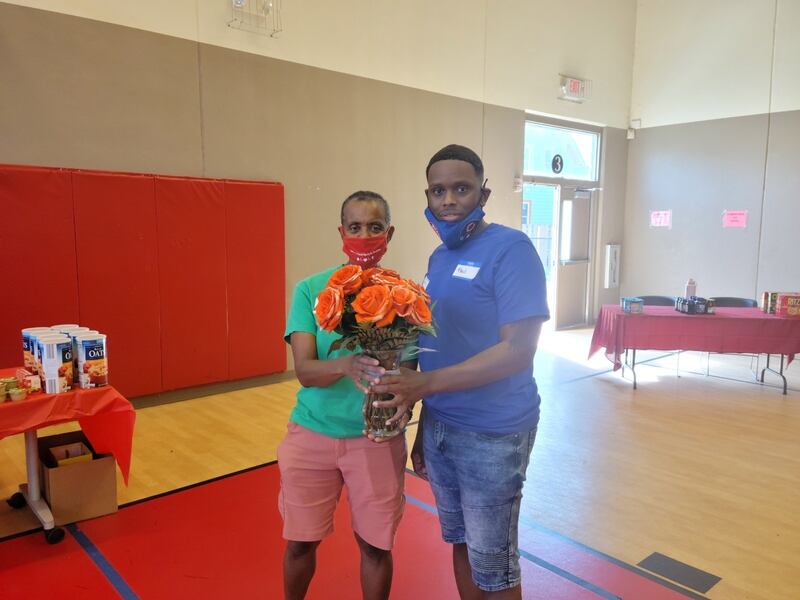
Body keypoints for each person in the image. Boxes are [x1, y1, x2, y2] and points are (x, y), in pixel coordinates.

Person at [371, 145, 549, 599]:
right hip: (443, 429)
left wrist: (423, 385)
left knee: (495, 566)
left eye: (461, 189)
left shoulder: (511, 249)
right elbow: (437, 348)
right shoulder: (438, 260)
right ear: (427, 198)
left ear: (483, 193)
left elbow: (517, 351)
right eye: (438, 191)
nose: (448, 200)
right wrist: (423, 425)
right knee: (461, 543)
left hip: (493, 435)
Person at [278, 190, 412, 600]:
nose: (364, 236)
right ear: (341, 232)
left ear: (388, 233)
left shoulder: (405, 296)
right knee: (300, 542)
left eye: (374, 227)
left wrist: (403, 400)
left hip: (374, 441)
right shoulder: (312, 290)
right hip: (312, 435)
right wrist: (345, 365)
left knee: (375, 546)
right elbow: (305, 371)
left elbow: (411, 375)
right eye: (355, 227)